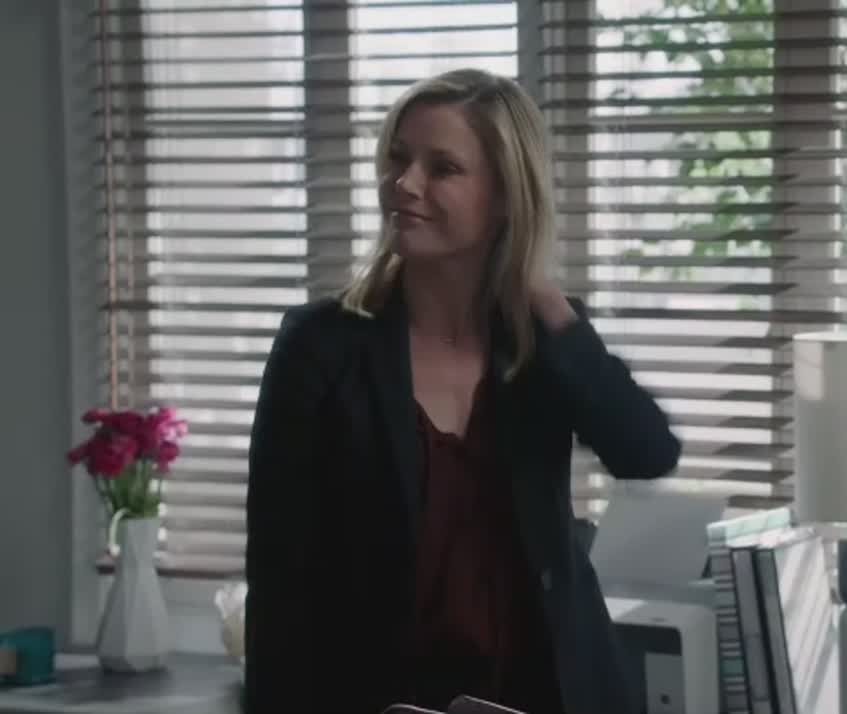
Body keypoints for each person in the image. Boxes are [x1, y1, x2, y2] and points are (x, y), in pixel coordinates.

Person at [243, 68, 681, 714]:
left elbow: (647, 452)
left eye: (442, 167)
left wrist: (547, 304)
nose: (404, 184)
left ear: (505, 196)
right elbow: (279, 579)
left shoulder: (546, 341)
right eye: (398, 158)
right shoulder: (321, 346)